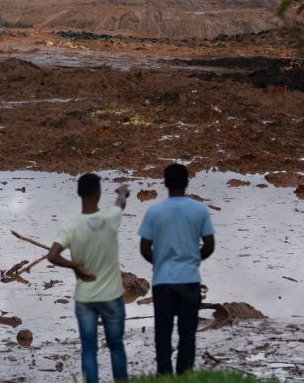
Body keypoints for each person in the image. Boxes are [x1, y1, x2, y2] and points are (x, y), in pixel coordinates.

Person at [48, 173, 131, 382]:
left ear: (78, 193)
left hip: (85, 298)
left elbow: (52, 255)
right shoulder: (110, 216)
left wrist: (74, 265)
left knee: (88, 350)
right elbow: (120, 203)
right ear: (99, 193)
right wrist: (122, 191)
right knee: (116, 347)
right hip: (112, 296)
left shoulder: (71, 226)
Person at [138, 163, 215, 375]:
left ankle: (164, 376)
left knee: (162, 333)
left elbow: (144, 248)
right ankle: (185, 375)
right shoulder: (199, 210)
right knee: (188, 333)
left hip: (163, 282)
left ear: (164, 183)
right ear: (187, 183)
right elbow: (209, 246)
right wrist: (192, 260)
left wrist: (160, 262)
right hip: (189, 280)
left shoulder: (155, 211)